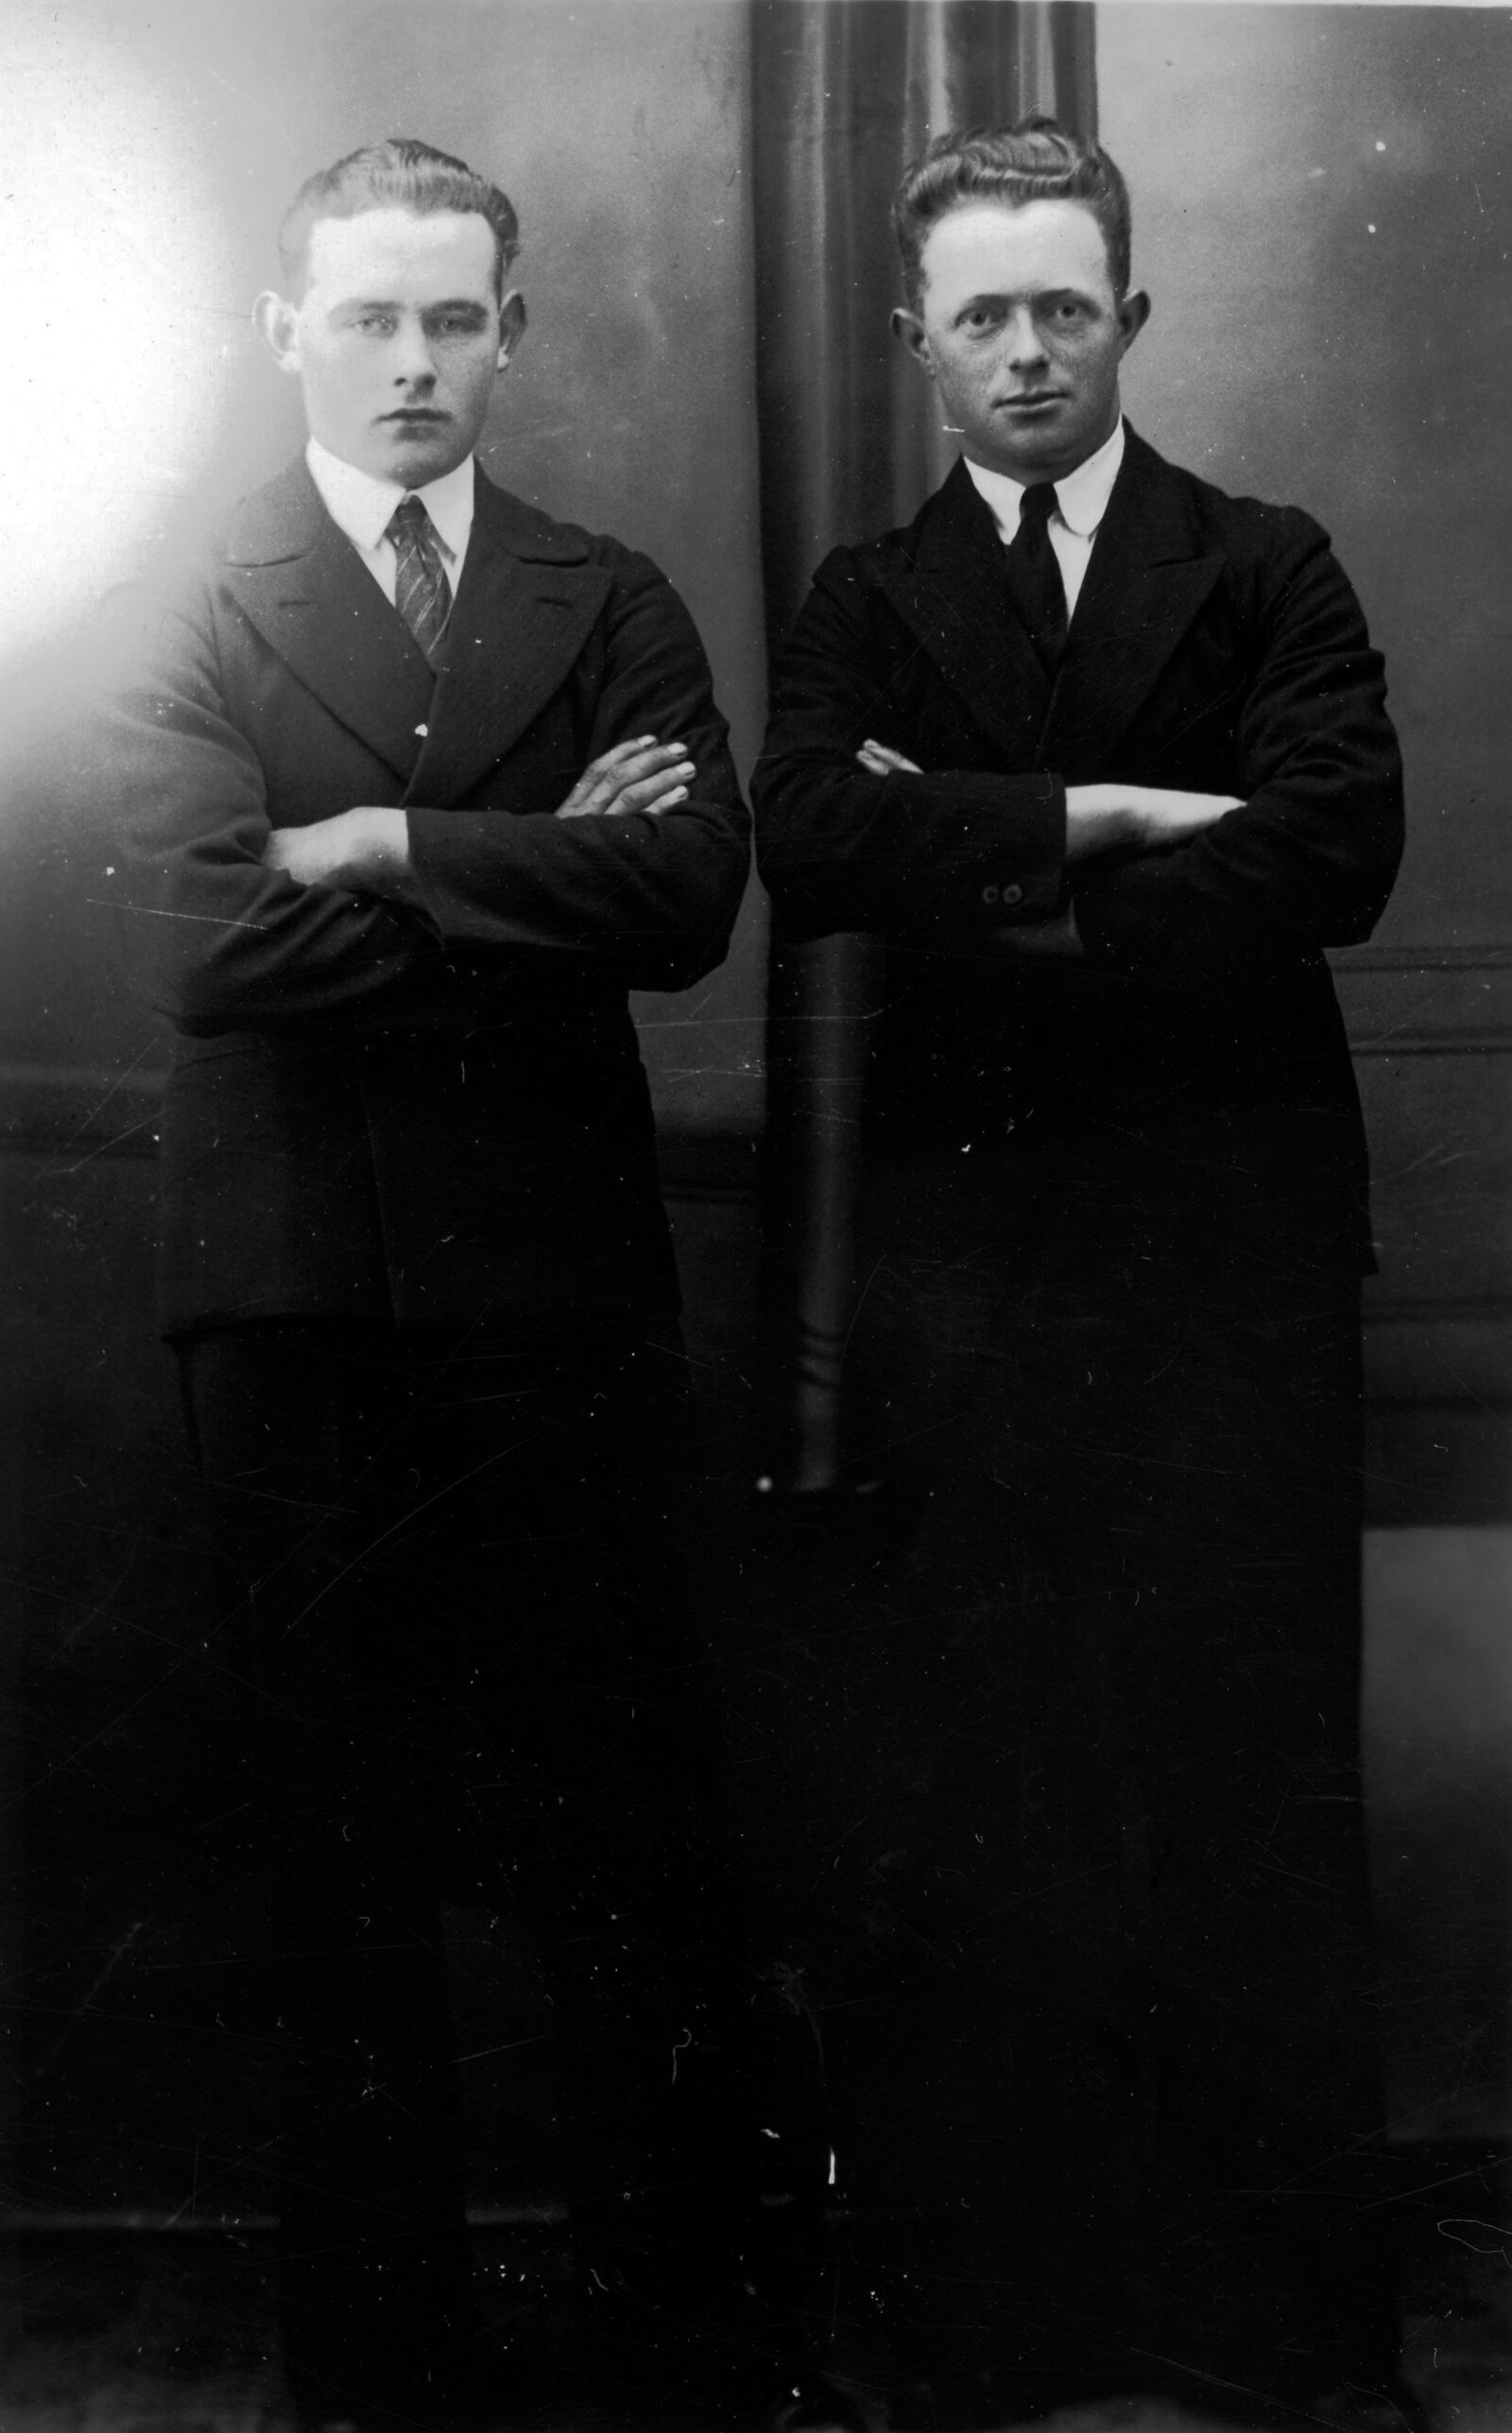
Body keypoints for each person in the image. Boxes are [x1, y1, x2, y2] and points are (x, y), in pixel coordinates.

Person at [100, 138, 852, 2433]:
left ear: (510, 335)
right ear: (287, 332)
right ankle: (378, 2368)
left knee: (617, 1829)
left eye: (453, 319)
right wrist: (532, 879)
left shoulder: (600, 591)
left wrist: (378, 844)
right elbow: (197, 937)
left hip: (551, 1292)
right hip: (296, 1296)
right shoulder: (185, 595)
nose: (413, 361)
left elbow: (687, 896)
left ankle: (666, 2342)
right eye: (370, 318)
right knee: (334, 1845)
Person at [752, 116, 1408, 2427]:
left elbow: (1336, 851)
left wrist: (986, 882)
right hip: (973, 1273)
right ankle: (994, 2331)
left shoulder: (1263, 560)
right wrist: (1112, 819)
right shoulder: (866, 591)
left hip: (1228, 1259)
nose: (1024, 349)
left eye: (1060, 304)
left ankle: (1278, 2341)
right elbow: (806, 836)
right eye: (980, 315)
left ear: (1127, 313)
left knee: (1242, 1771)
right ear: (917, 342)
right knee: (987, 1782)